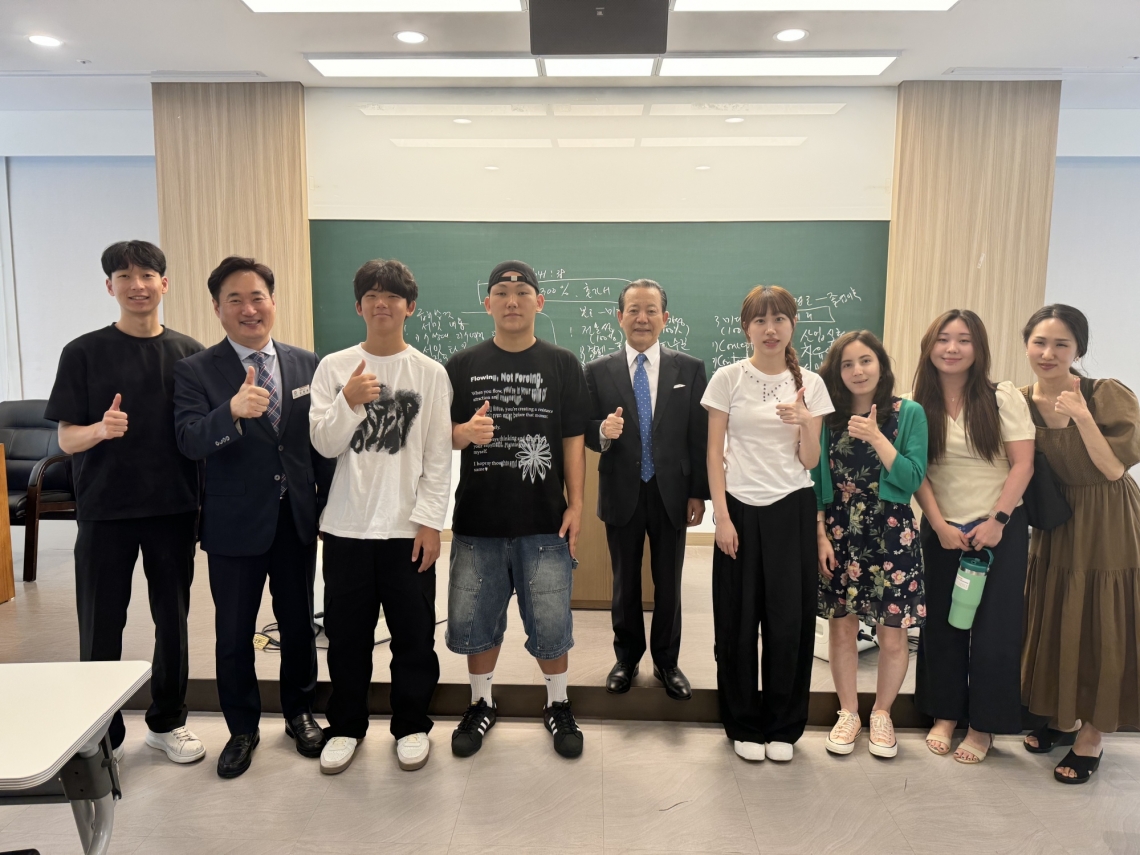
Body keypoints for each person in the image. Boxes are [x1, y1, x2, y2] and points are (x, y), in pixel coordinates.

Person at [173, 256, 335, 778]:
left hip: (295, 519)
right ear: (217, 308)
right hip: (234, 524)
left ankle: (300, 714)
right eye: (235, 300)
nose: (249, 309)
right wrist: (231, 414)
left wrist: (325, 508)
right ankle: (242, 729)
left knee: (298, 625)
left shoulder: (307, 363)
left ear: (273, 301)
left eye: (257, 297)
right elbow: (189, 440)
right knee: (234, 633)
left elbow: (319, 446)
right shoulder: (196, 370)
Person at [45, 240, 205, 764]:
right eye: (125, 276)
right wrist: (99, 429)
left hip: (174, 508)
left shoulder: (190, 353)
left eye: (147, 275)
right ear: (109, 286)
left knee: (173, 623)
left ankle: (168, 722)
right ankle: (100, 734)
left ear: (165, 283)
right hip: (105, 510)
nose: (137, 285)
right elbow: (66, 439)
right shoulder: (83, 352)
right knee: (100, 624)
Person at [308, 259, 452, 775]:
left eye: (392, 296)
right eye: (371, 295)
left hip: (406, 530)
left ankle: (411, 725)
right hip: (346, 528)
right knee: (347, 638)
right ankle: (346, 727)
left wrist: (430, 523)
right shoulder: (334, 367)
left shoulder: (430, 373)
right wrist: (348, 402)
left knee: (414, 637)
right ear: (358, 306)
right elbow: (323, 443)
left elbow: (438, 456)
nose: (381, 303)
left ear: (409, 307)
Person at [444, 260, 589, 759]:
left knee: (551, 625)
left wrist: (576, 504)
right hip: (478, 521)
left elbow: (573, 439)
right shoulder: (461, 365)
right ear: (487, 303)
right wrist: (464, 433)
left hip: (544, 522)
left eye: (523, 291)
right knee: (476, 623)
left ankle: (558, 704)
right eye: (502, 293)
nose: (512, 300)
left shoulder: (563, 363)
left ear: (539, 302)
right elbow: (441, 436)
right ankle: (481, 703)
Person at [701, 285, 834, 763]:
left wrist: (805, 421)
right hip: (738, 509)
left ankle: (783, 725)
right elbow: (714, 454)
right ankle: (742, 723)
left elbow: (811, 461)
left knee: (788, 623)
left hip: (791, 510)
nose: (770, 329)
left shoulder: (811, 384)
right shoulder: (727, 378)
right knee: (736, 623)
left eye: (779, 319)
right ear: (746, 328)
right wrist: (721, 517)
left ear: (793, 325)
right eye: (760, 320)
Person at [1019, 304, 1140, 784]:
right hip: (1057, 519)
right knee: (1058, 614)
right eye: (1039, 342)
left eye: (1061, 344)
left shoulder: (1104, 393)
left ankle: (1092, 733)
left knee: (1102, 621)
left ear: (1078, 350)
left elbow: (1113, 468)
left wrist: (1083, 418)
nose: (1048, 353)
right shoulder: (1021, 400)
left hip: (1108, 519)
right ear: (1027, 345)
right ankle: (1063, 717)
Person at [912, 309, 1035, 764]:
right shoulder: (914, 405)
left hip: (998, 530)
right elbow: (918, 472)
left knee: (994, 631)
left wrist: (998, 520)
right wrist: (939, 524)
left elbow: (1023, 464)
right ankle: (945, 714)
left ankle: (983, 725)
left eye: (963, 339)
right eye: (943, 338)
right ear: (929, 346)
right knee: (942, 627)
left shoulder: (1002, 397)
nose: (952, 348)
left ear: (978, 348)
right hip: (943, 529)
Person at [584, 279, 709, 699]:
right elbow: (585, 428)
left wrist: (698, 493)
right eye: (633, 310)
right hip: (622, 491)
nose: (642, 318)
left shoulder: (689, 368)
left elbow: (698, 434)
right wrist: (602, 430)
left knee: (669, 582)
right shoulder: (597, 370)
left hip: (672, 493)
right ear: (619, 317)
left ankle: (667, 662)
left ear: (665, 318)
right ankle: (626, 659)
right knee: (625, 583)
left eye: (651, 310)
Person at [811, 331, 928, 758]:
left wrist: (878, 437)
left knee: (892, 634)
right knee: (841, 627)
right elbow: (816, 480)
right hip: (840, 531)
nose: (857, 371)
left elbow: (912, 478)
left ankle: (882, 712)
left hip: (891, 532)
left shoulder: (908, 413)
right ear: (837, 372)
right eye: (847, 364)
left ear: (881, 364)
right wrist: (820, 533)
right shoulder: (829, 417)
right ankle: (848, 712)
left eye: (865, 361)